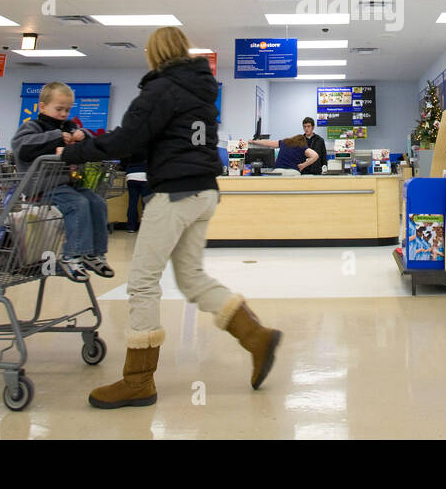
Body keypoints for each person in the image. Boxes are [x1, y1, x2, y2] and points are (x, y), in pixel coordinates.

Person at [59, 27, 281, 409]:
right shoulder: (201, 90)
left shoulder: (162, 88)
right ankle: (256, 336)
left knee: (142, 281)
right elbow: (154, 137)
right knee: (191, 277)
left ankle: (138, 381)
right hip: (204, 191)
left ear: (154, 53)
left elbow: (128, 138)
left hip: (175, 193)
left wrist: (75, 152)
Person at [11, 82, 113, 282]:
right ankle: (72, 255)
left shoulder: (70, 126)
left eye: (67, 110)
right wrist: (58, 138)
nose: (64, 114)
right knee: (78, 204)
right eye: (59, 109)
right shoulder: (32, 127)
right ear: (42, 107)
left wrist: (84, 136)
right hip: (42, 187)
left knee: (97, 202)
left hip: (69, 185)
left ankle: (95, 253)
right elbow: (22, 148)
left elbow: (89, 140)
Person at [248, 134, 318, 174]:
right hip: (293, 173)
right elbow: (315, 156)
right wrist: (303, 165)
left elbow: (268, 143)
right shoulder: (302, 147)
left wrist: (254, 141)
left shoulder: (284, 142)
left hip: (278, 172)